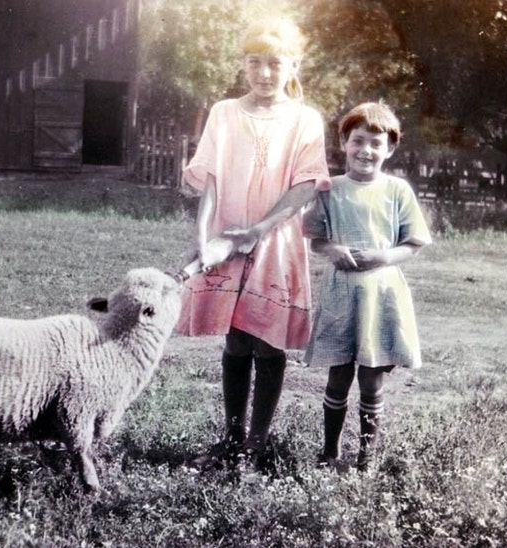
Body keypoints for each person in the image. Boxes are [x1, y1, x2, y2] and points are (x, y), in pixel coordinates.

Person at [178, 17, 330, 472]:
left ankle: (257, 445)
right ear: (243, 64)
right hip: (227, 240)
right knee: (236, 340)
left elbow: (305, 185)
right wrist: (205, 241)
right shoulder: (224, 113)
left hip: (275, 241)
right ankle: (231, 438)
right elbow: (210, 182)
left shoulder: (305, 119)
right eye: (255, 62)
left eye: (275, 64)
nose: (264, 73)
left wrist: (259, 230)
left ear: (293, 65)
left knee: (267, 342)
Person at [302, 101, 432, 472]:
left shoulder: (397, 189)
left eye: (376, 144)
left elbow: (414, 243)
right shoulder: (330, 189)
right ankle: (329, 453)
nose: (366, 151)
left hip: (381, 292)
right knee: (338, 374)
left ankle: (366, 459)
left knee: (372, 378)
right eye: (358, 141)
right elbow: (314, 238)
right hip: (342, 292)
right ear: (344, 143)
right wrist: (332, 249)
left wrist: (385, 256)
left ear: (390, 149)